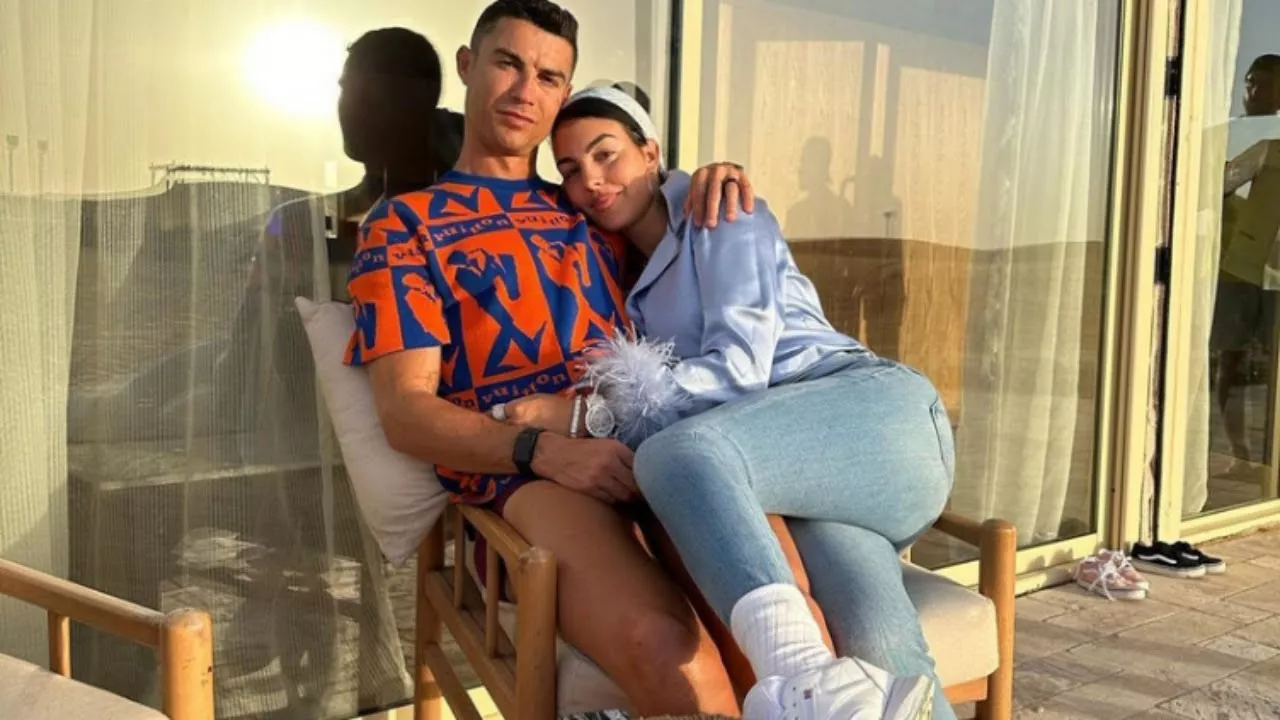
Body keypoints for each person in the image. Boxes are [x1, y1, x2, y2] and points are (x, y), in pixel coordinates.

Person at [344, 1, 763, 715]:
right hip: (526, 479)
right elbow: (406, 413)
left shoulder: (597, 206)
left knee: (771, 628)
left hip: (660, 443)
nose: (523, 91)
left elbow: (691, 246)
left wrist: (706, 179)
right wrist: (542, 450)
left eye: (547, 77)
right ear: (468, 66)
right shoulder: (405, 225)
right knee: (667, 647)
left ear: (565, 93)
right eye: (507, 64)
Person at [505, 86, 954, 720]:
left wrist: (587, 415)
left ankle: (803, 680)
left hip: (872, 416)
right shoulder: (620, 281)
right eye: (571, 170)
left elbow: (741, 371)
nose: (592, 181)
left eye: (606, 155)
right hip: (799, 485)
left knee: (673, 454)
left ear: (650, 151)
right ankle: (831, 691)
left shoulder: (721, 214)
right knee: (880, 653)